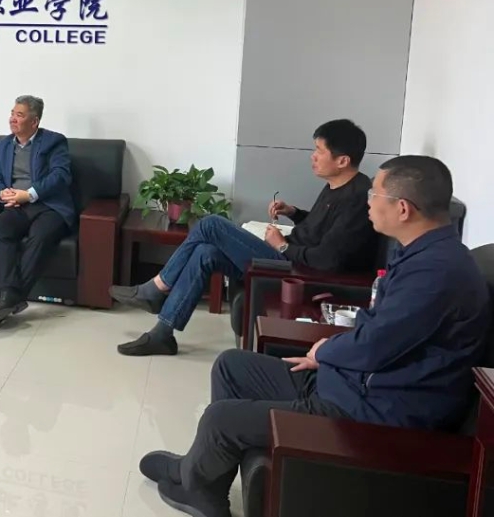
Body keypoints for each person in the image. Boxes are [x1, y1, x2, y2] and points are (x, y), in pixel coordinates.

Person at [138, 155, 491, 517]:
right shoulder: (424, 255)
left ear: (403, 208)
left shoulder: (435, 274)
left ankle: (198, 485)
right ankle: (203, 477)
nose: (369, 202)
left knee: (220, 419)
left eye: (375, 194)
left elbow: (374, 346)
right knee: (231, 366)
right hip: (352, 384)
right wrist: (328, 357)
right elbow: (380, 334)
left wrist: (324, 352)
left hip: (372, 411)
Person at [115, 119, 378, 356]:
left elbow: (328, 259)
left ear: (342, 161)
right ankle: (163, 333)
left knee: (211, 224)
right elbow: (323, 230)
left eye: (319, 151)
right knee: (206, 252)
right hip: (293, 260)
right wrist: (294, 212)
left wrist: (282, 246)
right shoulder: (339, 186)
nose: (313, 156)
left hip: (298, 274)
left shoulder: (356, 199)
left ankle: (155, 288)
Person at [0, 95, 74, 326]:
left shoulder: (54, 142)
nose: (12, 119)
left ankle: (9, 298)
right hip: (16, 206)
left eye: (19, 115)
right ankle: (8, 296)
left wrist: (30, 194)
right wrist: (1, 193)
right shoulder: (3, 144)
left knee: (40, 236)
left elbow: (61, 175)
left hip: (49, 206)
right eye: (12, 113)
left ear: (34, 122)